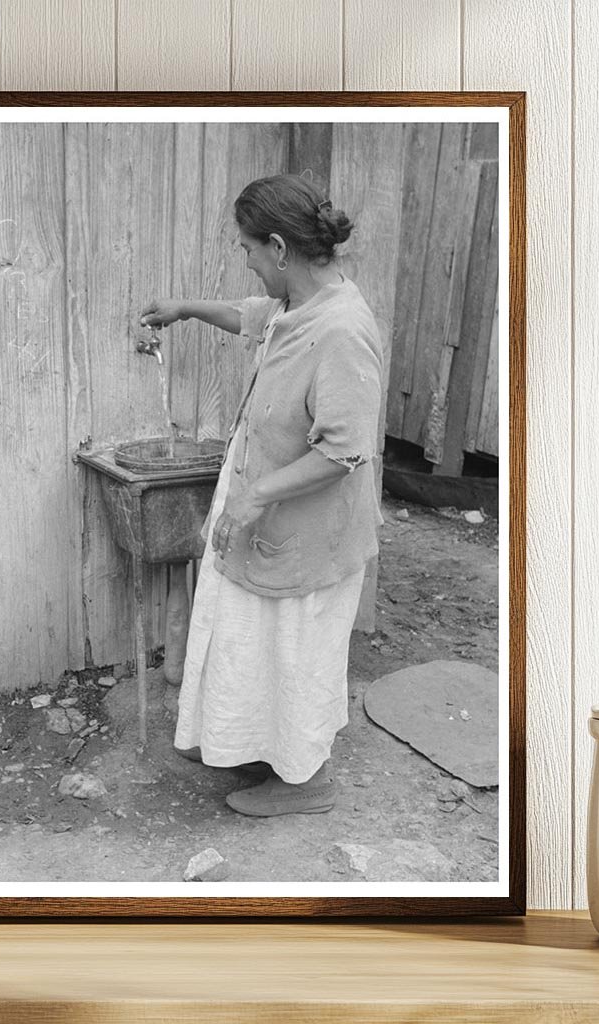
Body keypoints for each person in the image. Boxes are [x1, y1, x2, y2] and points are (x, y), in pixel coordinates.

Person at [139, 173, 384, 817]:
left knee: (295, 652)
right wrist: (188, 308)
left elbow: (344, 448)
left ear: (279, 248)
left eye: (247, 249)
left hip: (305, 525)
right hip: (264, 504)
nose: (245, 260)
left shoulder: (342, 331)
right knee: (249, 636)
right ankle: (244, 742)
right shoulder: (293, 305)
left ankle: (306, 782)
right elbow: (250, 316)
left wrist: (255, 497)